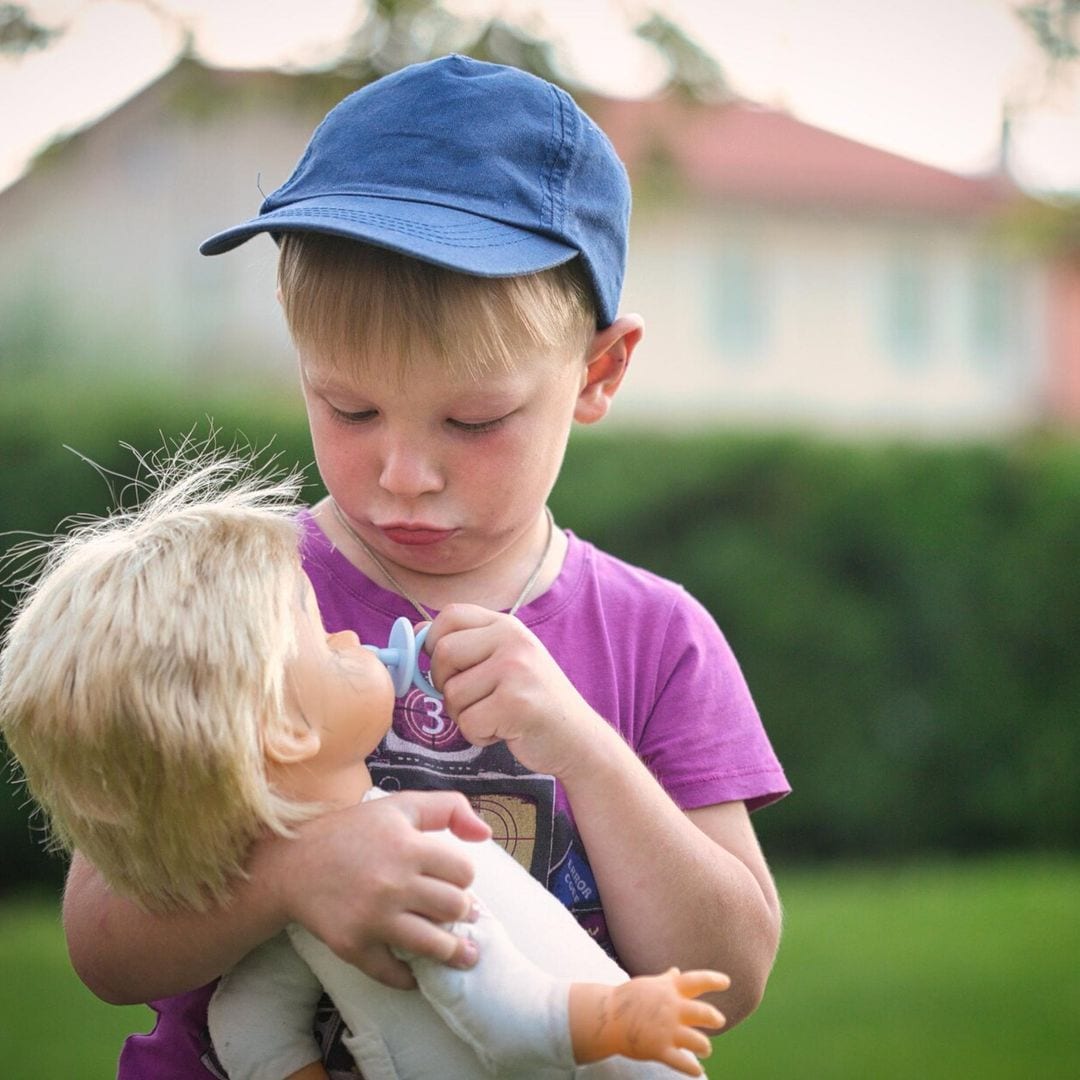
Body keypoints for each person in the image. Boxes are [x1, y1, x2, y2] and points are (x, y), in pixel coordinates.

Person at [60, 55, 790, 1078]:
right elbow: (100, 937)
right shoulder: (236, 597)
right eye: (349, 408)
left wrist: (582, 744)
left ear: (599, 371)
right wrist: (295, 876)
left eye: (473, 419)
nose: (403, 477)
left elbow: (730, 974)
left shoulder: (656, 637)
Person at [0, 455, 731, 1079]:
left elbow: (248, 1023)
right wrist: (616, 1016)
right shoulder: (409, 848)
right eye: (325, 635)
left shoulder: (657, 633)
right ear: (285, 728)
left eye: (474, 420)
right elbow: (503, 1014)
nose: (354, 635)